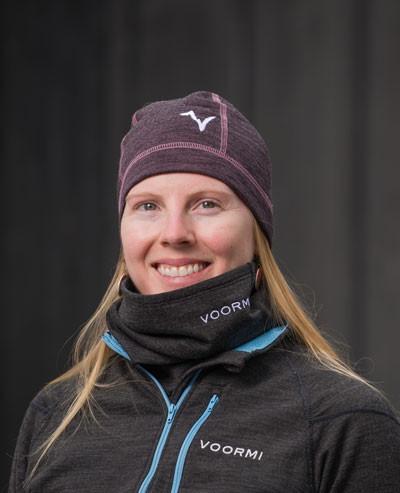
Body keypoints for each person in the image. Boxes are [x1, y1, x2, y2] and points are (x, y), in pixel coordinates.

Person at [9, 91, 400, 492]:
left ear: (257, 232)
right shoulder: (55, 415)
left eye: (207, 204)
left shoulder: (344, 421)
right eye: (148, 206)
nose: (174, 233)